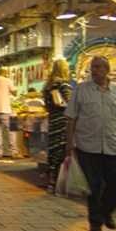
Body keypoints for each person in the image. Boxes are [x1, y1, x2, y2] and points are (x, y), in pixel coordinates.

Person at [65, 55, 116, 231]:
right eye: (93, 67)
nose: (95, 71)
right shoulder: (81, 90)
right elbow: (71, 118)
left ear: (107, 70)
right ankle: (95, 222)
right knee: (94, 185)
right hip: (88, 145)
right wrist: (69, 143)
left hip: (113, 145)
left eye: (99, 67)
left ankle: (106, 212)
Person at [43, 60, 73, 192]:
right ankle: (60, 182)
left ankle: (51, 181)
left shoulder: (48, 86)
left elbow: (47, 105)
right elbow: (70, 103)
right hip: (63, 120)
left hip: (52, 120)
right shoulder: (63, 85)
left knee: (53, 149)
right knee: (61, 149)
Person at [0, 67, 19, 158]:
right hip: (6, 109)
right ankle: (14, 152)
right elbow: (15, 93)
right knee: (12, 130)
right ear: (5, 72)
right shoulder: (8, 80)